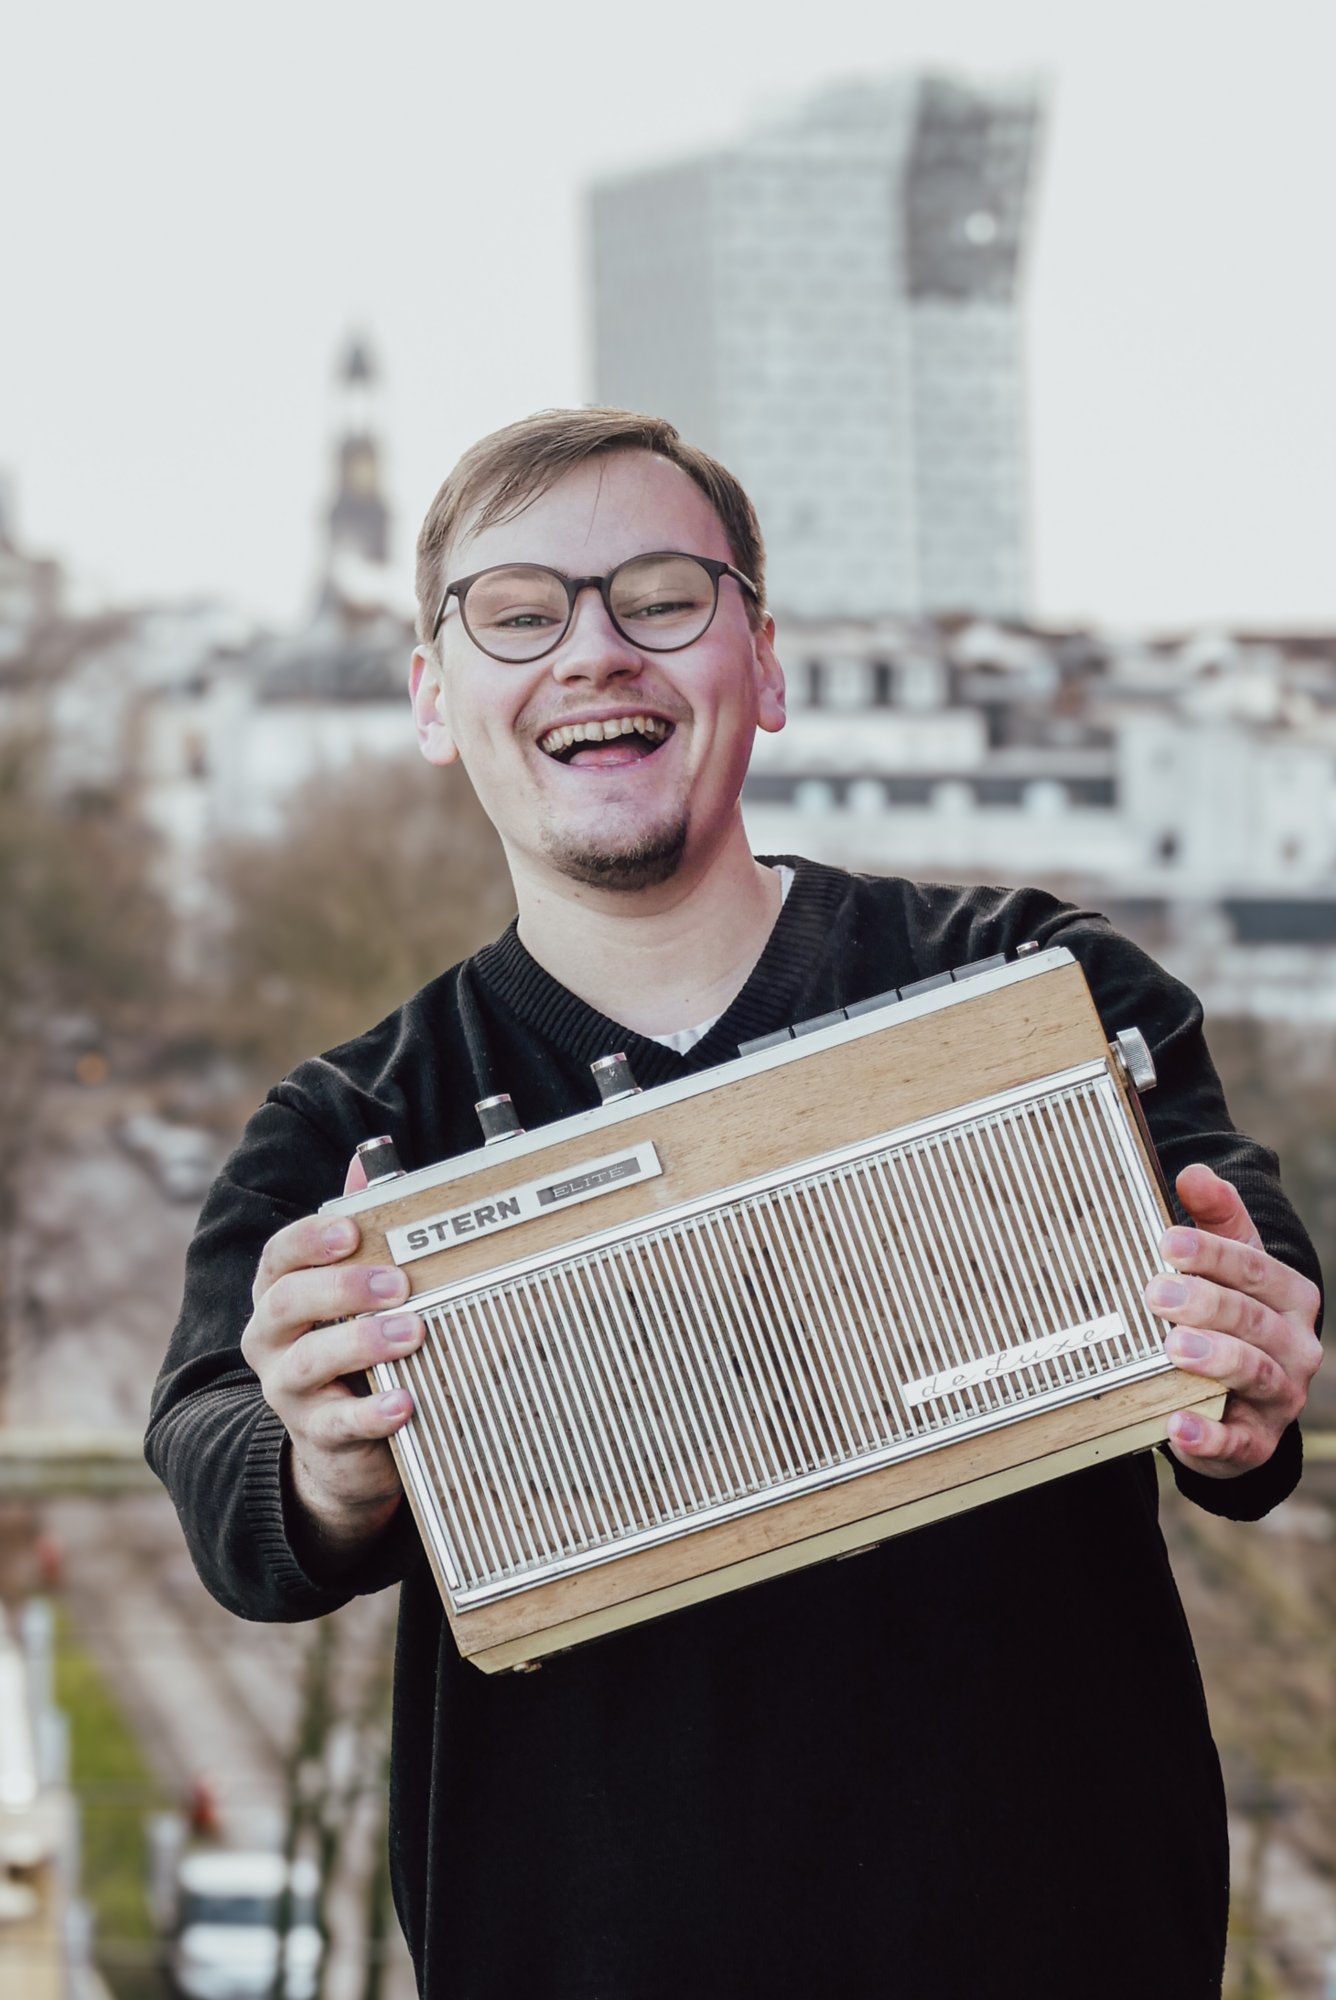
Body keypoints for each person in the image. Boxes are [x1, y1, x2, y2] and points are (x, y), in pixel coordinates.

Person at [148, 409, 1323, 1999]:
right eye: (517, 613)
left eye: (659, 598)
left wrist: (1244, 1387)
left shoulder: (1042, 985)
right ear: (437, 699)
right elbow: (222, 1469)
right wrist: (329, 1462)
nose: (592, 653)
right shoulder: (350, 1129)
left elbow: (1246, 1298)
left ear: (764, 665)